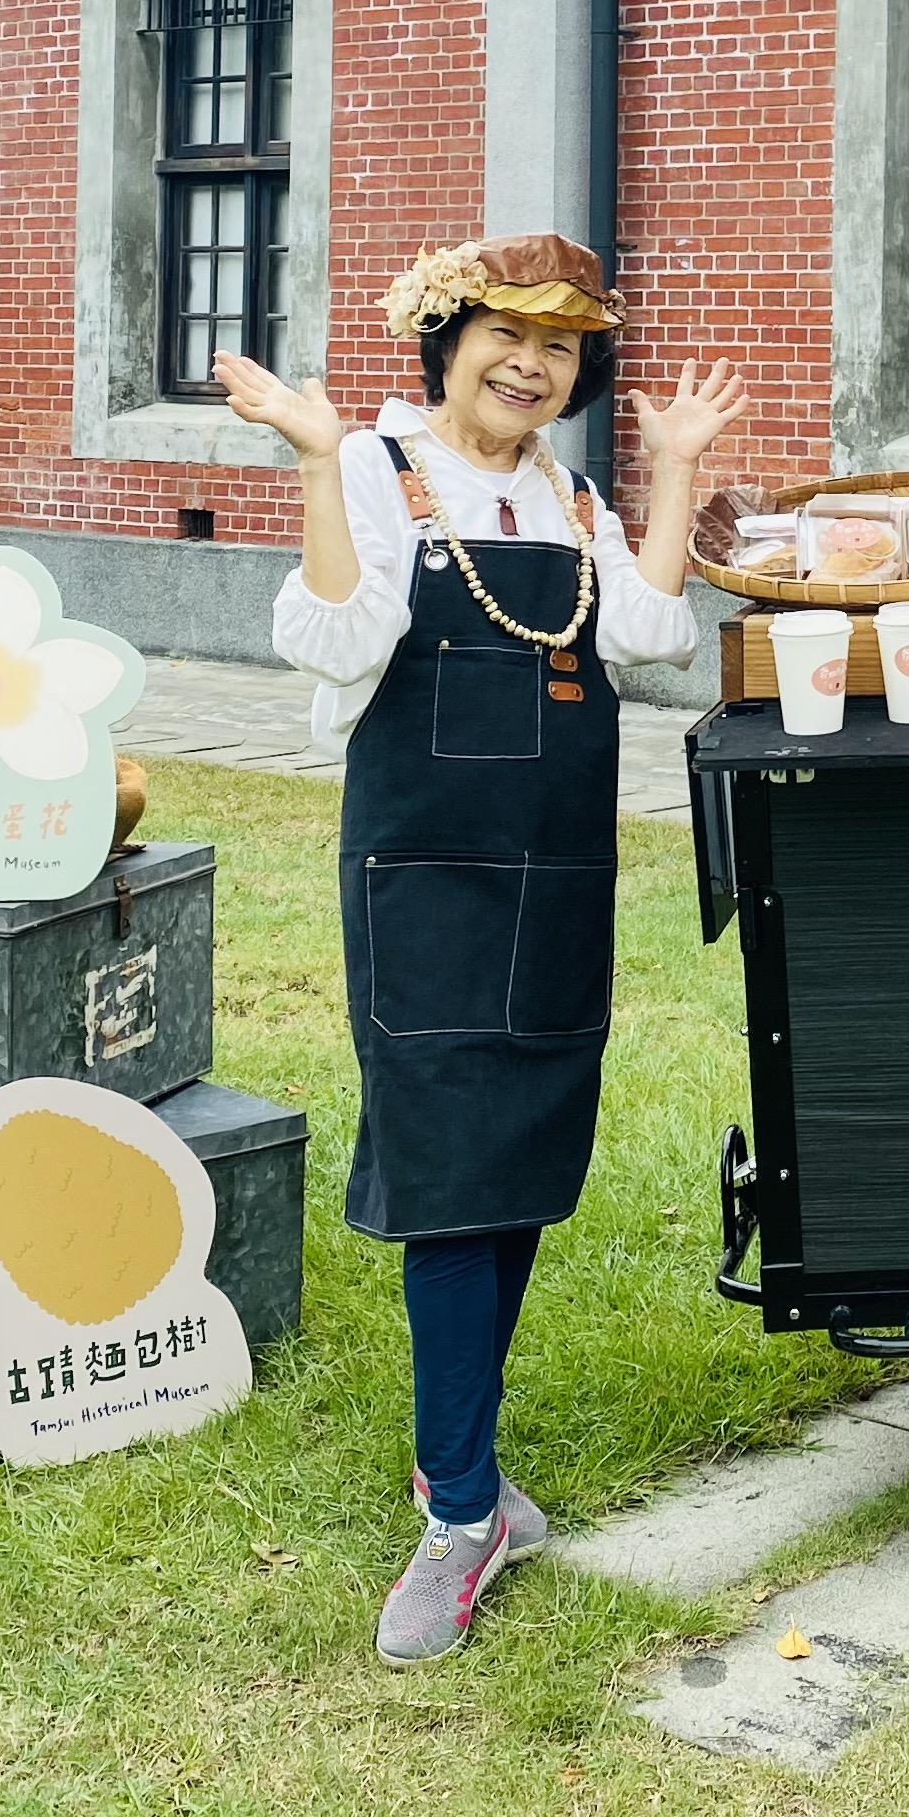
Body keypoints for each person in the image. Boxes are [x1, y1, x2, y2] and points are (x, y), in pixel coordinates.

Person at [216, 234, 743, 1670]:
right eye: (507, 335)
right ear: (445, 341)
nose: (534, 364)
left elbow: (646, 632)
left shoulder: (563, 493)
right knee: (449, 1174)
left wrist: (677, 467)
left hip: (558, 874)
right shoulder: (385, 472)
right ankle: (458, 1509)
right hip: (426, 884)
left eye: (562, 346)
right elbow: (330, 640)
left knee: (514, 1162)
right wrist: (317, 465)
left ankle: (468, 1471)